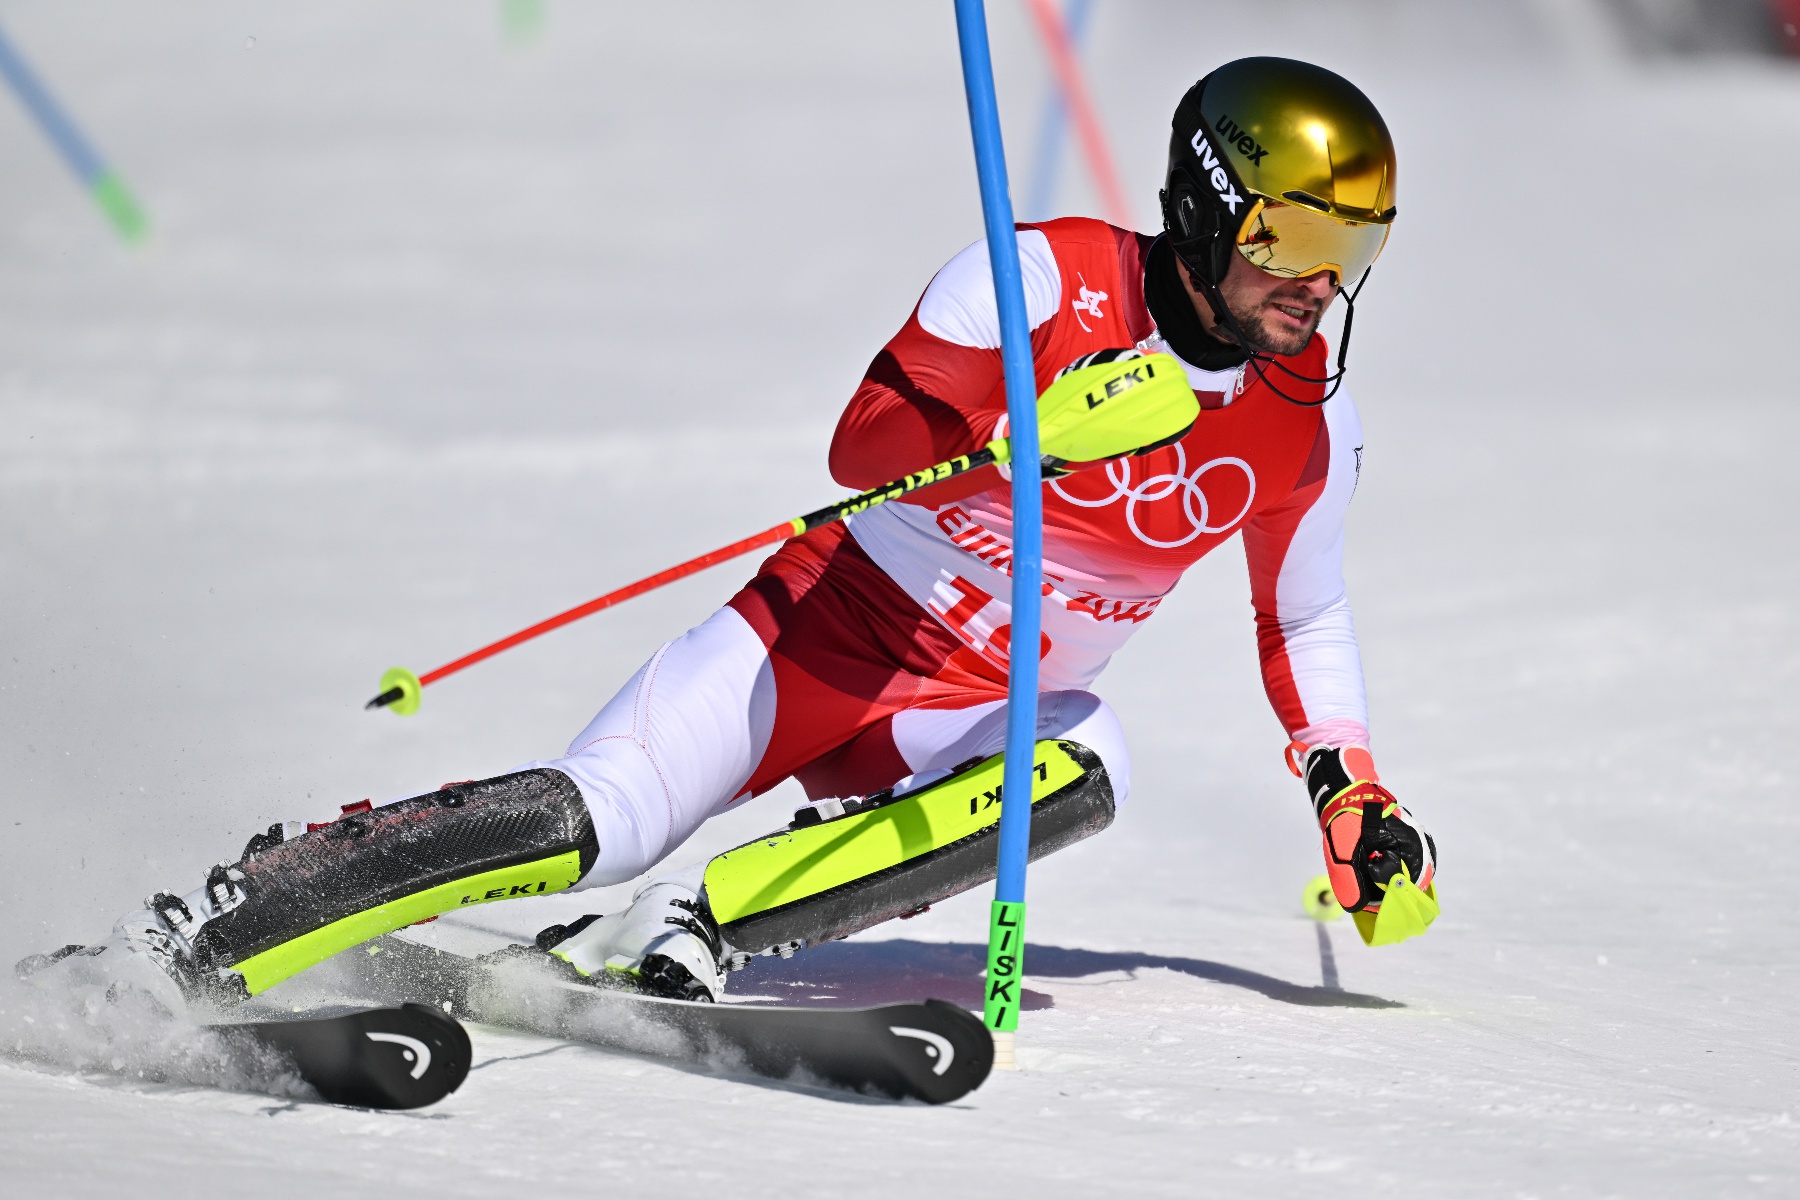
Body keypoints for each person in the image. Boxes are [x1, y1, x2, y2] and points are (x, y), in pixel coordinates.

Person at [22, 56, 1436, 1013]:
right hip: (819, 638)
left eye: (1351, 251)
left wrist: (1349, 791)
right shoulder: (1040, 280)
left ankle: (697, 927)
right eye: (1292, 237)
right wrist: (1019, 436)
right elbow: (860, 443)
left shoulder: (1310, 417)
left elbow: (1299, 617)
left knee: (1091, 760)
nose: (1318, 284)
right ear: (1203, 205)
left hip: (962, 717)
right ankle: (231, 915)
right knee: (596, 818)